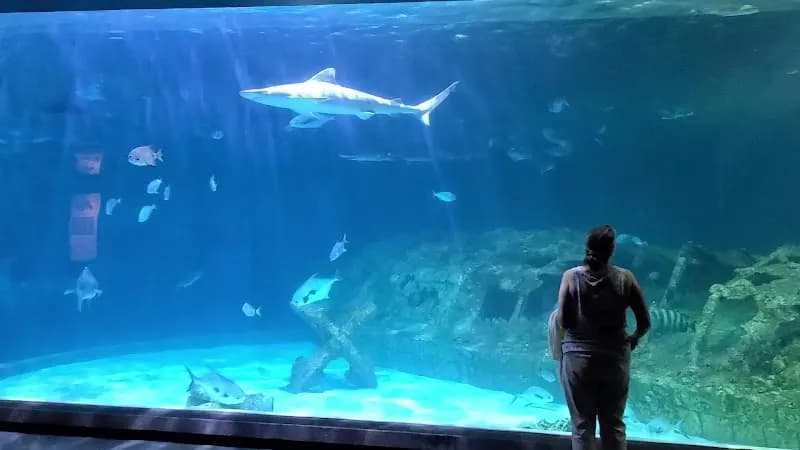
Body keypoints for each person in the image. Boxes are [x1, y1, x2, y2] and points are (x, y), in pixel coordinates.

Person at [555, 225, 651, 450]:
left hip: (577, 360)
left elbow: (563, 320)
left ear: (586, 248)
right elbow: (644, 322)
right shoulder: (625, 279)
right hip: (614, 359)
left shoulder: (571, 277)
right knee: (613, 425)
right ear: (612, 250)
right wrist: (633, 338)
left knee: (581, 426)